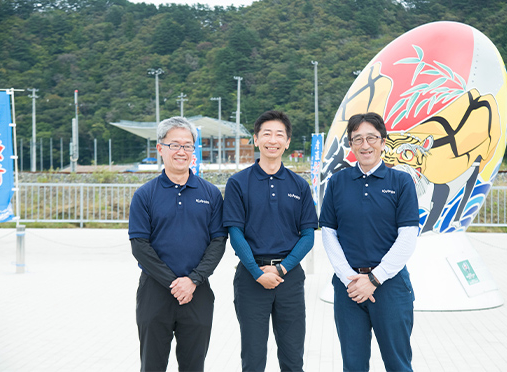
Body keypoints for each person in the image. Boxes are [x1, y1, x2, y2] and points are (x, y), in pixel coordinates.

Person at [319, 112, 419, 372]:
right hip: (348, 288)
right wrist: (349, 278)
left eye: (372, 138)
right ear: (351, 145)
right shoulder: (337, 182)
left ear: (383, 141)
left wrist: (375, 279)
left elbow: (408, 236)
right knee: (353, 365)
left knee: (398, 364)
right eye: (357, 139)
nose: (365, 145)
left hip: (390, 286)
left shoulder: (401, 181)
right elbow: (328, 232)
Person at [129, 116, 227, 372]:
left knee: (194, 365)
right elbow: (139, 245)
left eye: (187, 146)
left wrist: (193, 280)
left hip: (198, 292)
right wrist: (174, 283)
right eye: (175, 145)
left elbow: (218, 241)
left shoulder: (210, 194)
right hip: (155, 291)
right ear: (160, 148)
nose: (181, 151)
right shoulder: (145, 194)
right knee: (152, 364)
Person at [223, 110, 318, 372]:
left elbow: (308, 235)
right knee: (253, 359)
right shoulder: (238, 183)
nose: (272, 140)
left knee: (292, 357)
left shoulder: (299, 185)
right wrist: (256, 271)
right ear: (256, 139)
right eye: (266, 134)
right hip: (251, 279)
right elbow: (235, 232)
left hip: (290, 279)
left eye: (279, 134)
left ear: (288, 142)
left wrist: (282, 268)